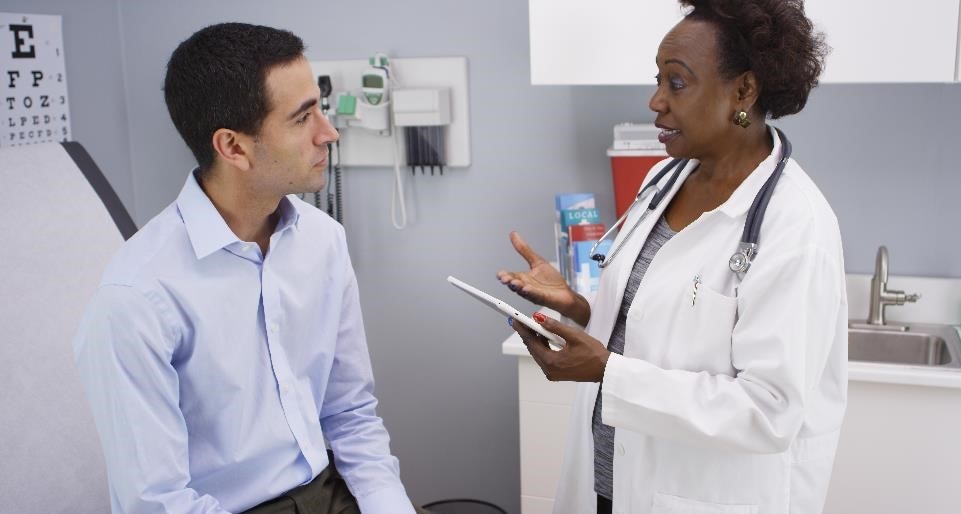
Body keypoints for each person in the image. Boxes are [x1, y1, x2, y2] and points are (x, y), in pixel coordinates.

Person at [498, 1, 846, 513]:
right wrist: (578, 307)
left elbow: (769, 411)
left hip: (697, 496)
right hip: (607, 481)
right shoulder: (662, 181)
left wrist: (607, 373)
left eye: (676, 83)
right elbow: (650, 327)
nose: (656, 101)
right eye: (658, 80)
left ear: (743, 91)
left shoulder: (796, 225)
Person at [74, 23, 419, 514]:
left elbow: (350, 414)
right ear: (233, 147)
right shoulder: (135, 299)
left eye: (318, 107)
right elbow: (158, 504)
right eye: (302, 119)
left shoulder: (323, 241)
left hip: (331, 488)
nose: (329, 132)